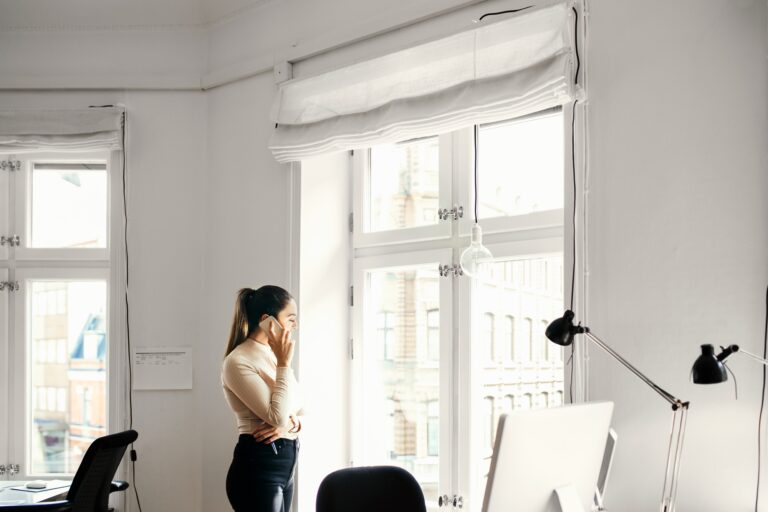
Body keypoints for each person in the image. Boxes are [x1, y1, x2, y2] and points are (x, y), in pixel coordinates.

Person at [222, 286, 303, 512]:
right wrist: (284, 364)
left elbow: (301, 405)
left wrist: (291, 422)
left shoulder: (271, 353)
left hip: (286, 465)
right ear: (267, 320)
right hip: (258, 468)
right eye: (291, 319)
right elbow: (277, 416)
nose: (295, 326)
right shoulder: (238, 361)